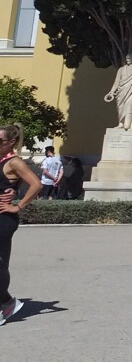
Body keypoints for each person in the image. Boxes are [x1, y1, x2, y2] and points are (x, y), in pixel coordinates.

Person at [0, 124, 41, 326]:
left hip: (4, 218)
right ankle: (6, 301)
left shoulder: (14, 162)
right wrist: (14, 187)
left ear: (11, 142)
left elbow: (36, 184)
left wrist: (18, 205)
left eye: (0, 141)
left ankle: (4, 304)